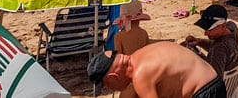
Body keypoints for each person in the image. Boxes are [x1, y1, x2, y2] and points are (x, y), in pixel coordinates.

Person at [87, 42, 222, 98]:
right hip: (214, 82)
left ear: (113, 76)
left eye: (108, 86)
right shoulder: (141, 54)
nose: (112, 90)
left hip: (204, 92)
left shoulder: (140, 75)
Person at [183, 4, 238, 77]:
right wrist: (199, 42)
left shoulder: (218, 49)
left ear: (223, 26)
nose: (205, 33)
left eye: (210, 29)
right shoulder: (232, 27)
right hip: (233, 83)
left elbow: (213, 81)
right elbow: (223, 49)